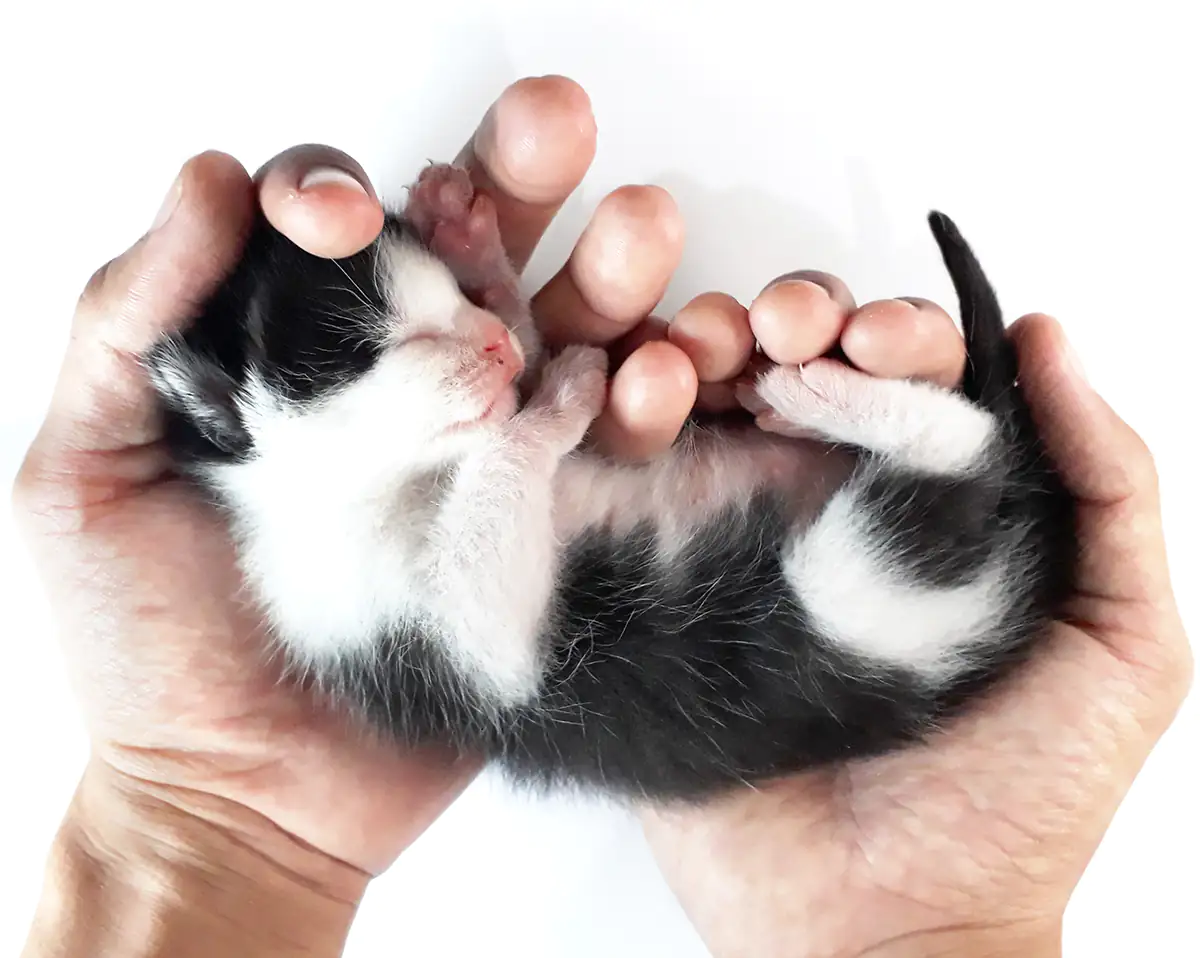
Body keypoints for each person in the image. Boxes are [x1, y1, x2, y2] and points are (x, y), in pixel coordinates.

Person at [14, 76, 1191, 958]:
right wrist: (528, 428)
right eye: (404, 343)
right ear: (239, 414)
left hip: (737, 601)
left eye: (456, 303)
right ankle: (958, 451)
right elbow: (491, 629)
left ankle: (955, 457)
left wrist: (499, 305)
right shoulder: (321, 592)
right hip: (789, 621)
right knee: (869, 586)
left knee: (858, 559)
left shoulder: (368, 499)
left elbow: (509, 436)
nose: (478, 336)